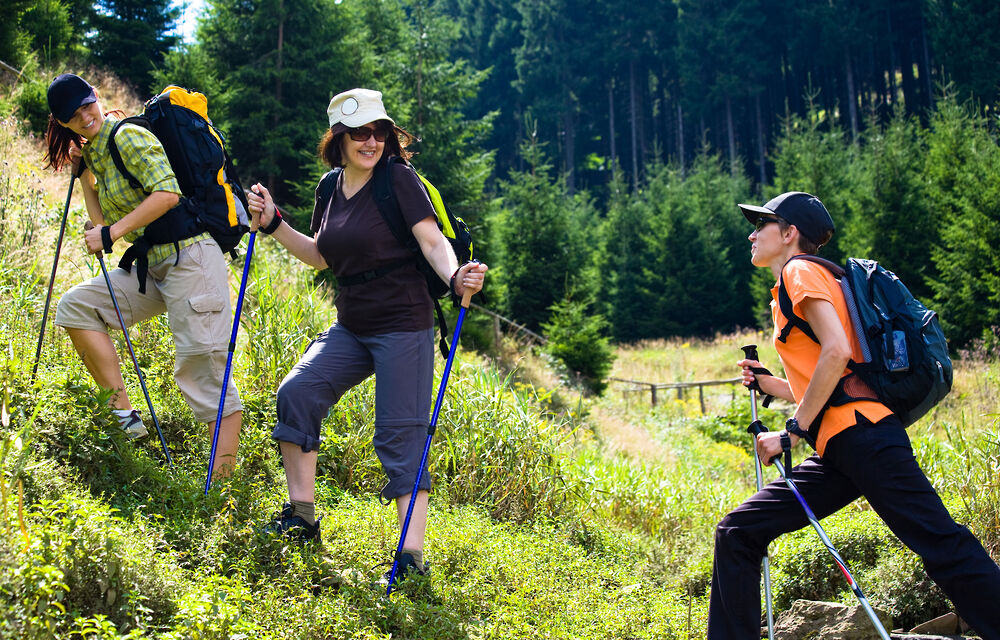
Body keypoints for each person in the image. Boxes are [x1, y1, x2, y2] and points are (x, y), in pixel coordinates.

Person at [706, 191, 1000, 639]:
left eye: (761, 225)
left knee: (940, 541)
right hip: (842, 446)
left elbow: (837, 349)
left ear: (789, 234)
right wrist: (773, 386)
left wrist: (793, 431)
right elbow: (835, 378)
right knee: (738, 531)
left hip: (863, 438)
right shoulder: (810, 278)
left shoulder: (798, 271)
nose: (751, 233)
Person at [247, 88, 487, 582]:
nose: (371, 141)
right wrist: (273, 224)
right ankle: (301, 517)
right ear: (338, 139)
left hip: (404, 323)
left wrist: (455, 276)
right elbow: (320, 255)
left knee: (400, 438)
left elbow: (431, 239)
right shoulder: (330, 187)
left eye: (378, 131)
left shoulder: (397, 179)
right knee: (298, 393)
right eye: (359, 133)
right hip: (353, 325)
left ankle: (410, 560)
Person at [43, 73, 243, 478]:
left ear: (97, 97)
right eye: (73, 115)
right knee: (77, 307)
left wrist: (111, 232)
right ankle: (125, 418)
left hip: (191, 258)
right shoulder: (97, 153)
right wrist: (85, 179)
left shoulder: (126, 136)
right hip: (155, 265)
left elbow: (166, 194)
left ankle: (221, 489)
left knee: (201, 368)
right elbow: (102, 227)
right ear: (62, 122)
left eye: (87, 105)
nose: (85, 117)